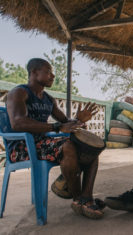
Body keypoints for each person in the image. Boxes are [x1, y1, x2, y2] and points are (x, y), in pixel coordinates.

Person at [6, 58, 103, 219]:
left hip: (43, 144)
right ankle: (78, 198)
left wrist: (79, 120)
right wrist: (55, 127)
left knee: (91, 149)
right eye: (48, 71)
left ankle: (86, 197)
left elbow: (65, 123)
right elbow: (17, 123)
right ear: (34, 72)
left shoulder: (48, 99)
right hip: (22, 148)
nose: (53, 76)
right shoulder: (19, 92)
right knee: (67, 146)